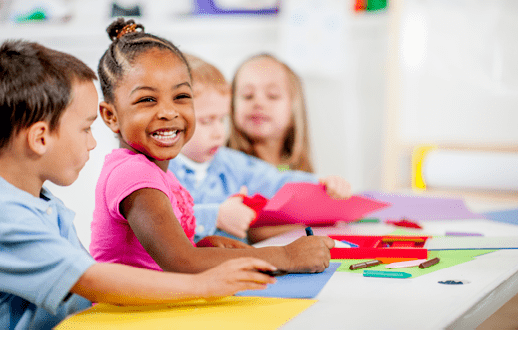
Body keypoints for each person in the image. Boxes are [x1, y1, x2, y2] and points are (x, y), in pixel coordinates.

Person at [0, 39, 278, 330]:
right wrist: (203, 284)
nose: (93, 143)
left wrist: (199, 250)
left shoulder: (43, 204)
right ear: (40, 138)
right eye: (85, 129)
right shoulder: (8, 217)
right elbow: (90, 279)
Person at [90, 18, 334, 274]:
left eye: (181, 97)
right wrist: (284, 255)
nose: (168, 112)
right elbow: (182, 263)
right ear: (111, 116)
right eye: (147, 99)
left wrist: (207, 246)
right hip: (128, 314)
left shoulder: (160, 173)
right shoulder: (134, 175)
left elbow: (170, 255)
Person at [169, 53, 352, 243]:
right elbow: (157, 219)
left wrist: (322, 184)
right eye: (207, 121)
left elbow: (276, 181)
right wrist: (215, 216)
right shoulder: (161, 169)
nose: (219, 132)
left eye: (223, 120)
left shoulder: (232, 162)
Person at [228, 53, 314, 172]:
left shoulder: (300, 175)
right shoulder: (223, 169)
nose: (258, 103)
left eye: (272, 95)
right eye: (248, 95)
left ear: (294, 108)